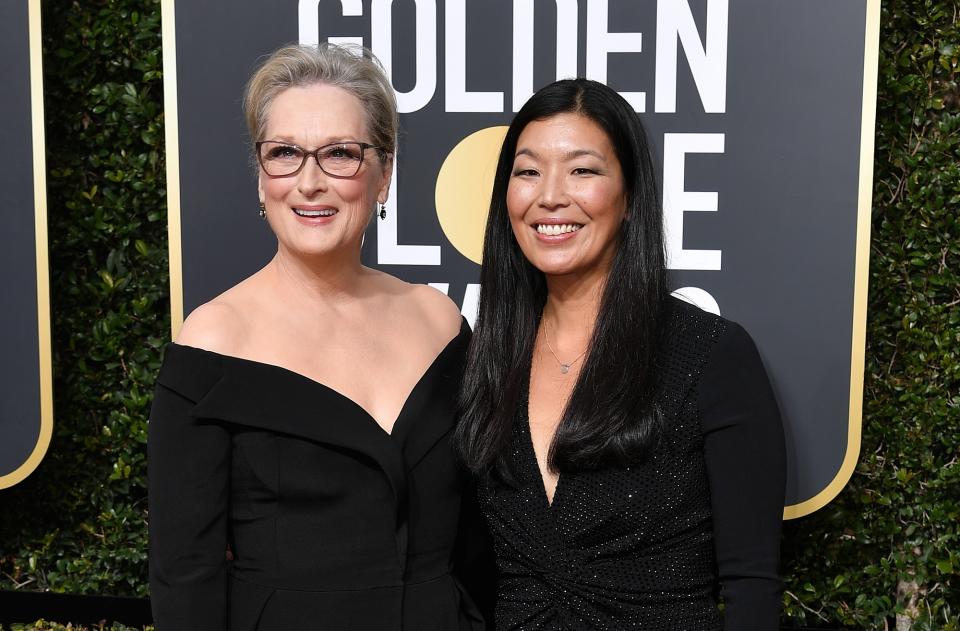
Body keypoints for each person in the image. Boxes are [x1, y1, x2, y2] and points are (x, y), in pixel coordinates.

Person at [148, 43, 490, 630]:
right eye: (284, 154)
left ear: (383, 175)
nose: (309, 182)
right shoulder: (214, 341)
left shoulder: (439, 321)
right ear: (261, 179)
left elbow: (482, 537)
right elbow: (185, 579)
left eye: (339, 155)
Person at [455, 78, 786, 630]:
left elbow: (751, 587)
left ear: (630, 195)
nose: (550, 196)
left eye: (582, 170)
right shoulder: (484, 361)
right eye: (528, 171)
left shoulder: (710, 356)